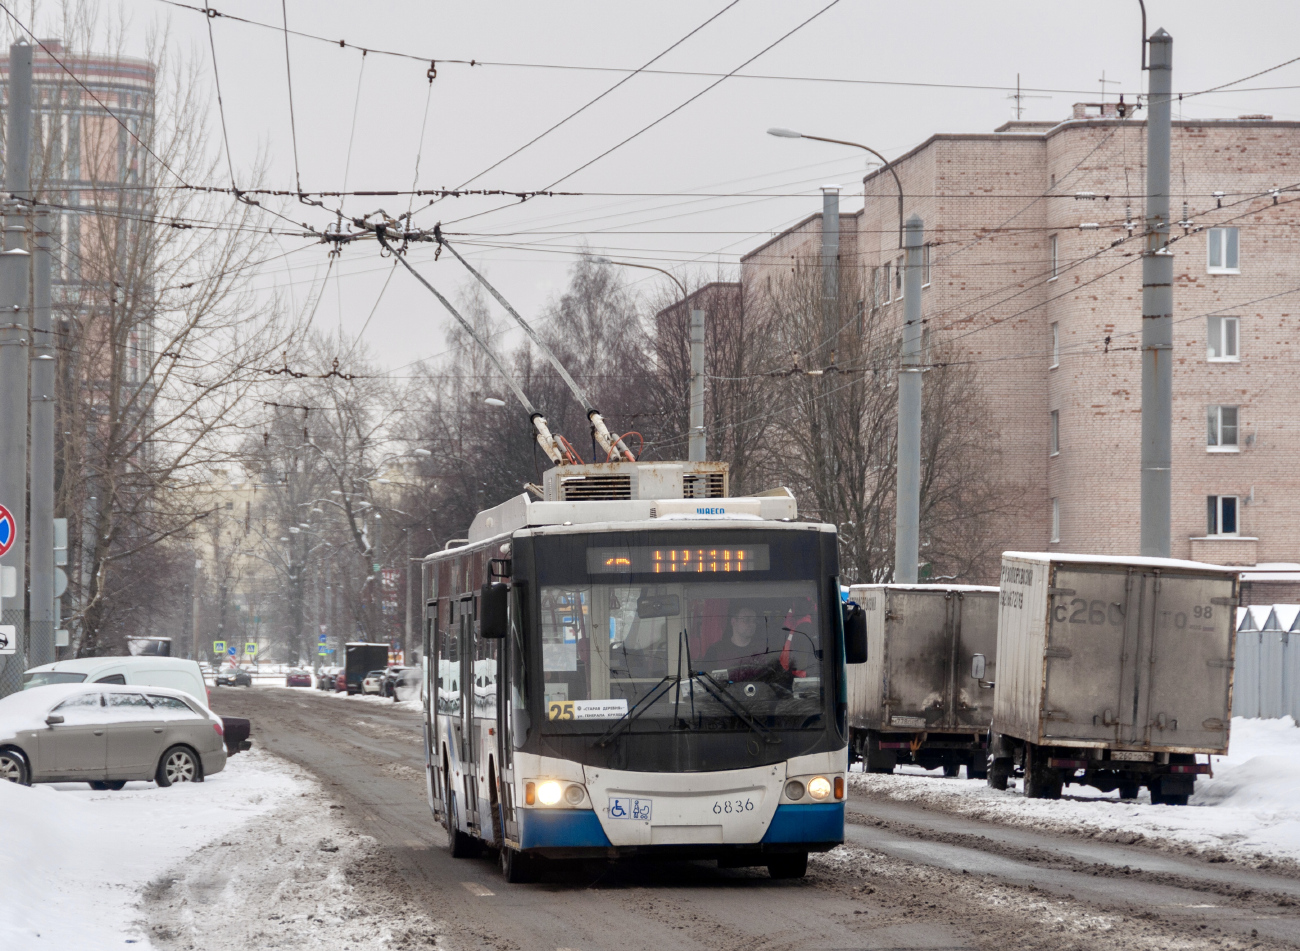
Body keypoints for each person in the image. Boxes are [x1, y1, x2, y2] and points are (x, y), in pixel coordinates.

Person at [702, 604, 786, 684]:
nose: (752, 624)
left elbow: (776, 679)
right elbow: (704, 681)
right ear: (734, 622)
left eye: (754, 621)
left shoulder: (764, 650)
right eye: (746, 620)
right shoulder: (716, 650)